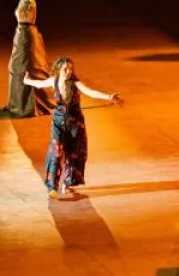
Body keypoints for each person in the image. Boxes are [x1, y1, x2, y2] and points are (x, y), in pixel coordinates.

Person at [23, 56, 122, 199]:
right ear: (59, 69)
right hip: (58, 122)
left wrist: (108, 97)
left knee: (73, 153)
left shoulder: (75, 83)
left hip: (75, 123)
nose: (69, 71)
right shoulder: (54, 80)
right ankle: (52, 187)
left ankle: (67, 182)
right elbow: (39, 84)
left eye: (71, 69)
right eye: (65, 69)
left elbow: (90, 92)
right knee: (56, 152)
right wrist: (26, 80)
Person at [6, 0, 51, 118]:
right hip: (22, 33)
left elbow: (26, 18)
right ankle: (17, 103)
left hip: (26, 34)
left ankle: (30, 104)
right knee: (16, 66)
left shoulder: (29, 2)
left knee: (28, 65)